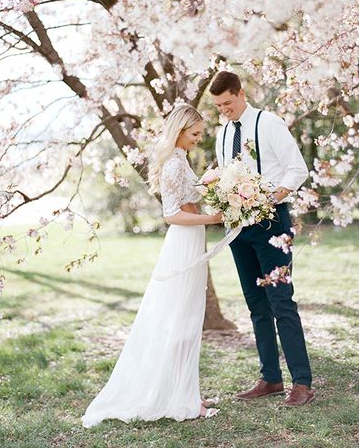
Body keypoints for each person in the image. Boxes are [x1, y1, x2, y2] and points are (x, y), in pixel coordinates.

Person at [81, 104, 222, 426]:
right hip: (182, 243)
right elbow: (172, 215)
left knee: (188, 318)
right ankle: (179, 398)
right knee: (180, 320)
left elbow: (189, 199)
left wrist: (213, 187)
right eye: (195, 133)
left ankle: (185, 391)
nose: (199, 139)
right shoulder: (172, 165)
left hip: (190, 240)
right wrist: (211, 217)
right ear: (180, 131)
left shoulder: (181, 160)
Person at [210, 70, 315, 407]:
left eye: (227, 103)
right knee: (256, 304)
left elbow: (297, 169)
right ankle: (270, 377)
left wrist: (271, 197)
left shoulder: (269, 123)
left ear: (241, 94)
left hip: (272, 224)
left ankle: (302, 383)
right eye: (218, 106)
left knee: (281, 301)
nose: (223, 110)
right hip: (239, 228)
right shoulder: (223, 132)